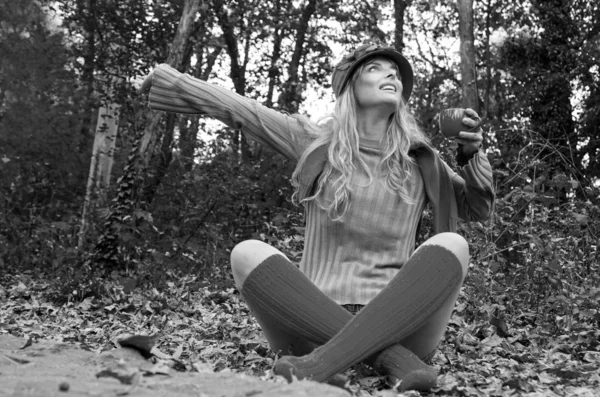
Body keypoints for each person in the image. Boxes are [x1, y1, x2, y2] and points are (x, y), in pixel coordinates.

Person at [139, 43, 494, 391]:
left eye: (395, 72)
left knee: (453, 244)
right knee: (246, 252)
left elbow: (477, 208)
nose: (391, 74)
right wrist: (174, 80)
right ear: (350, 86)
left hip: (402, 325)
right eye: (375, 68)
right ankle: (392, 361)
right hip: (309, 324)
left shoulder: (421, 160)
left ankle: (327, 364)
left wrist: (471, 155)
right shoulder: (315, 142)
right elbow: (243, 111)